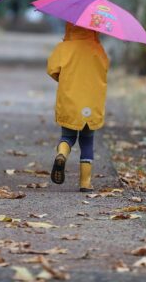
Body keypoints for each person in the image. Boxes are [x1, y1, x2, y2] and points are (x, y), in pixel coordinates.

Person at [47, 22, 109, 192]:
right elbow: (105, 70)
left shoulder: (64, 48)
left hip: (70, 100)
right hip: (91, 102)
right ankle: (85, 183)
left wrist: (64, 79)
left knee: (67, 136)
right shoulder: (98, 49)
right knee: (87, 141)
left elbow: (52, 69)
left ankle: (62, 154)